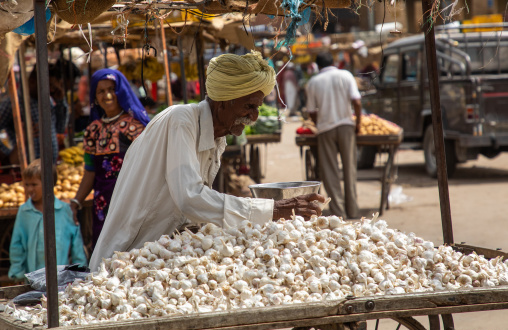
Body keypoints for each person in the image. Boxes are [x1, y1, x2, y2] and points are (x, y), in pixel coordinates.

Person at [89, 52, 324, 271]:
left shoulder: (217, 136)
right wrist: (271, 209)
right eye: (249, 106)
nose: (254, 116)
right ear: (224, 102)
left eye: (257, 108)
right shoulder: (182, 120)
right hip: (125, 258)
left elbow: (193, 208)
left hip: (157, 257)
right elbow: (190, 197)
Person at [70, 69, 150, 249]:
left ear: (120, 91)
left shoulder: (135, 128)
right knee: (104, 256)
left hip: (132, 202)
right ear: (95, 97)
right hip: (103, 206)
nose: (107, 95)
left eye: (111, 89)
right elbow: (90, 172)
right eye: (100, 91)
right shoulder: (92, 130)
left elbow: (149, 167)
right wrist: (76, 202)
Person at [8, 159, 87, 280]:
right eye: (27, 184)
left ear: (49, 184)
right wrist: (17, 273)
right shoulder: (24, 211)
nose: (29, 189)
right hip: (32, 280)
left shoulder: (65, 211)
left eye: (34, 184)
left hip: (61, 280)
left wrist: (81, 273)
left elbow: (77, 247)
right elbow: (17, 246)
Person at [306, 52, 362, 219]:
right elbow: (357, 102)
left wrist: (319, 123)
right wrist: (357, 123)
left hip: (325, 129)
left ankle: (339, 213)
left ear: (318, 66)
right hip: (346, 126)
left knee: (330, 172)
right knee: (349, 169)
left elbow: (311, 111)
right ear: (334, 62)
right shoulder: (346, 75)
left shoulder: (313, 82)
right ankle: (353, 211)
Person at [0, 65, 68, 164]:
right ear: (32, 81)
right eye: (48, 85)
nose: (51, 90)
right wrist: (7, 152)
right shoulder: (13, 104)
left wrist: (61, 101)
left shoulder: (48, 101)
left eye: (53, 87)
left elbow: (60, 128)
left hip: (49, 166)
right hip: (26, 168)